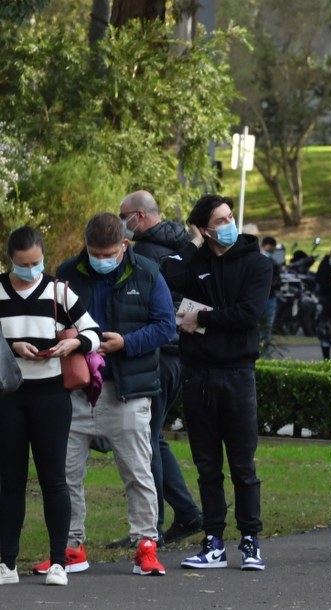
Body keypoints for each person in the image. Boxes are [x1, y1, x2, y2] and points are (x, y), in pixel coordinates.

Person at [55, 213, 174, 576]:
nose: (101, 259)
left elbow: (166, 326)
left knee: (138, 472)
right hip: (76, 389)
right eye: (94, 252)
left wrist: (126, 343)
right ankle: (71, 548)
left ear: (125, 244)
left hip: (127, 390)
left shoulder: (148, 272)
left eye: (108, 253)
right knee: (66, 473)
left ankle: (145, 546)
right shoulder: (67, 272)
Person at [163, 194, 273, 570]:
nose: (228, 224)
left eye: (230, 216)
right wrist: (193, 244)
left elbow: (248, 314)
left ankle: (250, 540)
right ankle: (213, 541)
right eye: (219, 220)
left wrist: (204, 318)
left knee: (243, 465)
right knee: (207, 466)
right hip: (198, 375)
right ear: (204, 229)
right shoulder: (196, 262)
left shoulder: (257, 263)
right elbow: (167, 278)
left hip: (238, 375)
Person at [0, 227, 101, 587]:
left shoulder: (59, 290)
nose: (32, 270)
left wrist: (72, 347)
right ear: (10, 259)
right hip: (8, 397)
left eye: (37, 263)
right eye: (23, 264)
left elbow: (93, 332)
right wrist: (13, 347)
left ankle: (59, 561)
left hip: (51, 397)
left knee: (54, 479)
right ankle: (6, 561)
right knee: (9, 481)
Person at [114, 190, 204, 548]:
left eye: (124, 216)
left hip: (156, 355)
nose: (122, 222)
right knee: (154, 438)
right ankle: (185, 513)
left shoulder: (146, 256)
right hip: (179, 354)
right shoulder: (184, 246)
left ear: (139, 216)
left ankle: (153, 525)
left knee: (146, 441)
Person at [258, 236, 282, 357]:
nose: (270, 253)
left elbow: (278, 281)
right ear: (262, 247)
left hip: (270, 298)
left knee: (267, 329)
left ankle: (265, 355)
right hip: (257, 299)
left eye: (272, 251)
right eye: (268, 250)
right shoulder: (255, 260)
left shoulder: (274, 263)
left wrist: (273, 282)